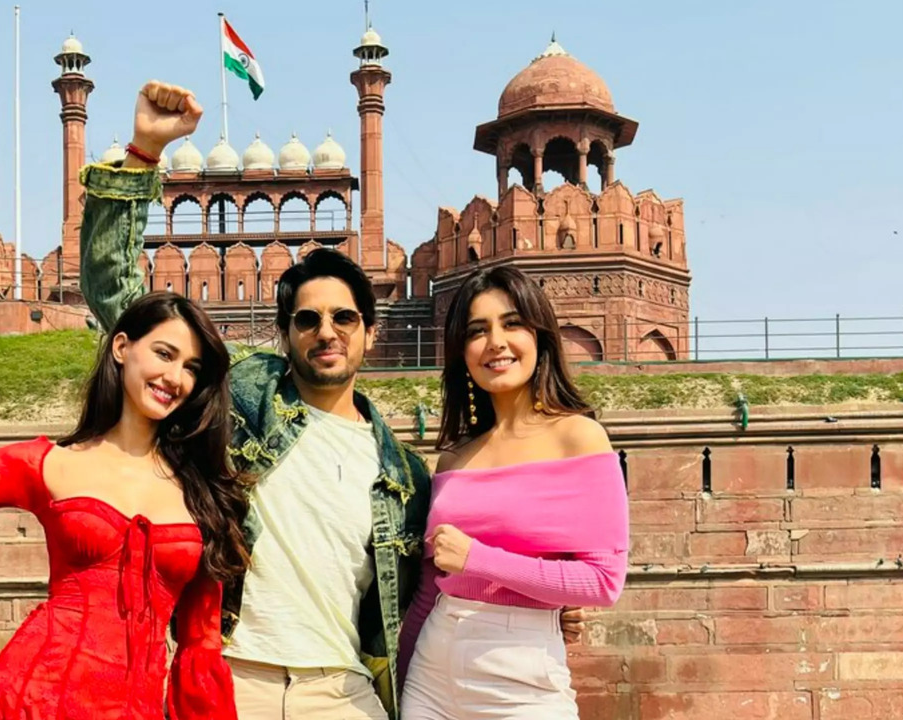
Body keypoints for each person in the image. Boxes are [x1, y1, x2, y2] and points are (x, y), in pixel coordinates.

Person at [79, 80, 586, 720]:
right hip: (234, 678)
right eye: (308, 320)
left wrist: (543, 601)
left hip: (343, 692)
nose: (327, 332)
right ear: (284, 333)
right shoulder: (240, 401)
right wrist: (145, 152)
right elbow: (122, 299)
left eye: (344, 318)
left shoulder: (403, 475)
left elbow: (442, 584)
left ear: (370, 335)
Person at [0, 294, 248, 720]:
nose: (175, 377)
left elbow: (200, 651)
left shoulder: (202, 494)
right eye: (164, 354)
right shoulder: (47, 465)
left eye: (191, 367)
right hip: (33, 702)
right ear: (121, 348)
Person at [397, 266, 630, 719]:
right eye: (477, 331)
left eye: (512, 323)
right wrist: (401, 684)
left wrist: (477, 558)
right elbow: (429, 591)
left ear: (540, 336)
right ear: (462, 352)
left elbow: (602, 583)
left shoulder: (578, 437)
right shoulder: (455, 458)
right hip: (433, 671)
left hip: (523, 674)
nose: (496, 342)